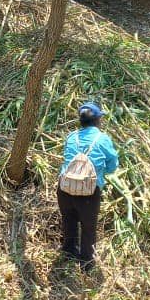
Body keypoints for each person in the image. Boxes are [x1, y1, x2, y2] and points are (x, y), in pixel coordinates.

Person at [57, 102, 119, 271]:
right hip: (89, 192)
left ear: (81, 121)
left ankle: (68, 254)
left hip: (65, 188)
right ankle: (86, 264)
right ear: (98, 120)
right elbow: (113, 165)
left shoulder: (71, 137)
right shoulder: (102, 139)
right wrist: (100, 172)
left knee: (68, 220)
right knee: (88, 226)